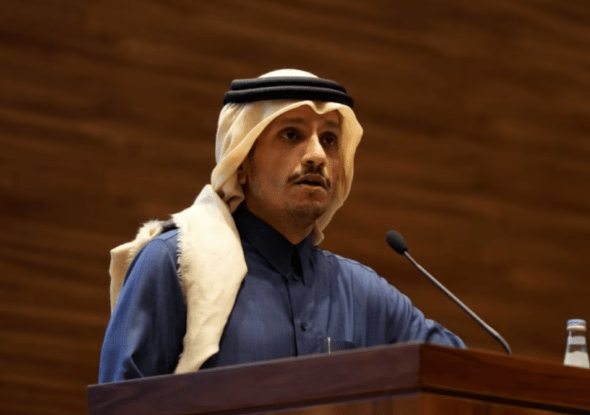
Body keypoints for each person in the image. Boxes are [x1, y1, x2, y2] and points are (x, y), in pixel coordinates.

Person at [99, 69, 464, 383]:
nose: (317, 156)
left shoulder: (363, 294)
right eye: (291, 135)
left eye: (329, 140)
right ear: (242, 163)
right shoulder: (175, 264)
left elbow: (461, 373)